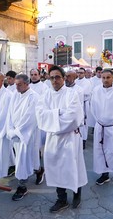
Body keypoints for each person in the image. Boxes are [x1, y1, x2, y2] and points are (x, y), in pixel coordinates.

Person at [36, 65, 88, 213]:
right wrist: (59, 113)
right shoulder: (45, 95)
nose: (54, 80)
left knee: (72, 167)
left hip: (70, 138)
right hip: (53, 138)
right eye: (51, 77)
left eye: (57, 77)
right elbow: (40, 115)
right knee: (56, 168)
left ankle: (77, 194)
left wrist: (52, 116)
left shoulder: (72, 95)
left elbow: (73, 117)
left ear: (64, 78)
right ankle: (61, 198)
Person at [6, 74, 39, 201]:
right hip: (15, 133)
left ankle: (22, 186)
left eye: (19, 84)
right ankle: (39, 170)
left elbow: (30, 118)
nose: (17, 87)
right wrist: (10, 129)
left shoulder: (33, 97)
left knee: (23, 160)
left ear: (27, 84)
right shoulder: (15, 94)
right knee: (25, 160)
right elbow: (9, 113)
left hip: (27, 134)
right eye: (16, 84)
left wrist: (17, 132)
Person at [29, 68, 49, 185]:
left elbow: (45, 103)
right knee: (31, 148)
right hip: (29, 122)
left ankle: (40, 169)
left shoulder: (44, 87)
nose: (34, 76)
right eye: (32, 75)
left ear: (40, 75)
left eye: (35, 74)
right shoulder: (28, 86)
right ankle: (35, 168)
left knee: (39, 147)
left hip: (39, 122)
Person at [75, 67, 92, 149]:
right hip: (76, 104)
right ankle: (77, 139)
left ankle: (83, 140)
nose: (79, 74)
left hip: (84, 104)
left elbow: (84, 92)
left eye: (81, 73)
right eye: (78, 72)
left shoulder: (87, 82)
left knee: (84, 123)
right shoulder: (75, 81)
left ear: (84, 73)